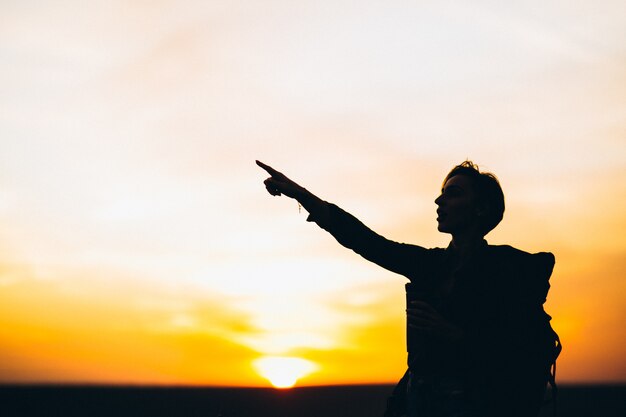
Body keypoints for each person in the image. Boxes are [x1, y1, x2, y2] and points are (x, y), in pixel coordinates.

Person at [256, 160, 560, 417]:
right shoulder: (430, 264)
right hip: (420, 404)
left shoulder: (507, 270)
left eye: (452, 194)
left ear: (481, 208)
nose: (439, 202)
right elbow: (365, 241)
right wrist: (300, 194)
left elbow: (523, 348)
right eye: (441, 194)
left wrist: (455, 334)